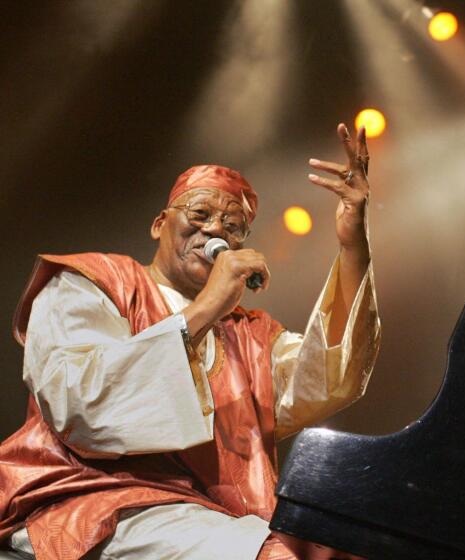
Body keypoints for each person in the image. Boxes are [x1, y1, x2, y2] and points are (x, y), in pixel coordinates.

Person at [0, 123, 380, 560]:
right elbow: (81, 407)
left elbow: (333, 374)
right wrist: (207, 307)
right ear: (160, 225)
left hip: (201, 515)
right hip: (90, 497)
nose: (215, 231)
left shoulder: (248, 334)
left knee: (341, 551)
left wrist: (354, 244)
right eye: (199, 216)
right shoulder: (90, 282)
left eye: (232, 227)